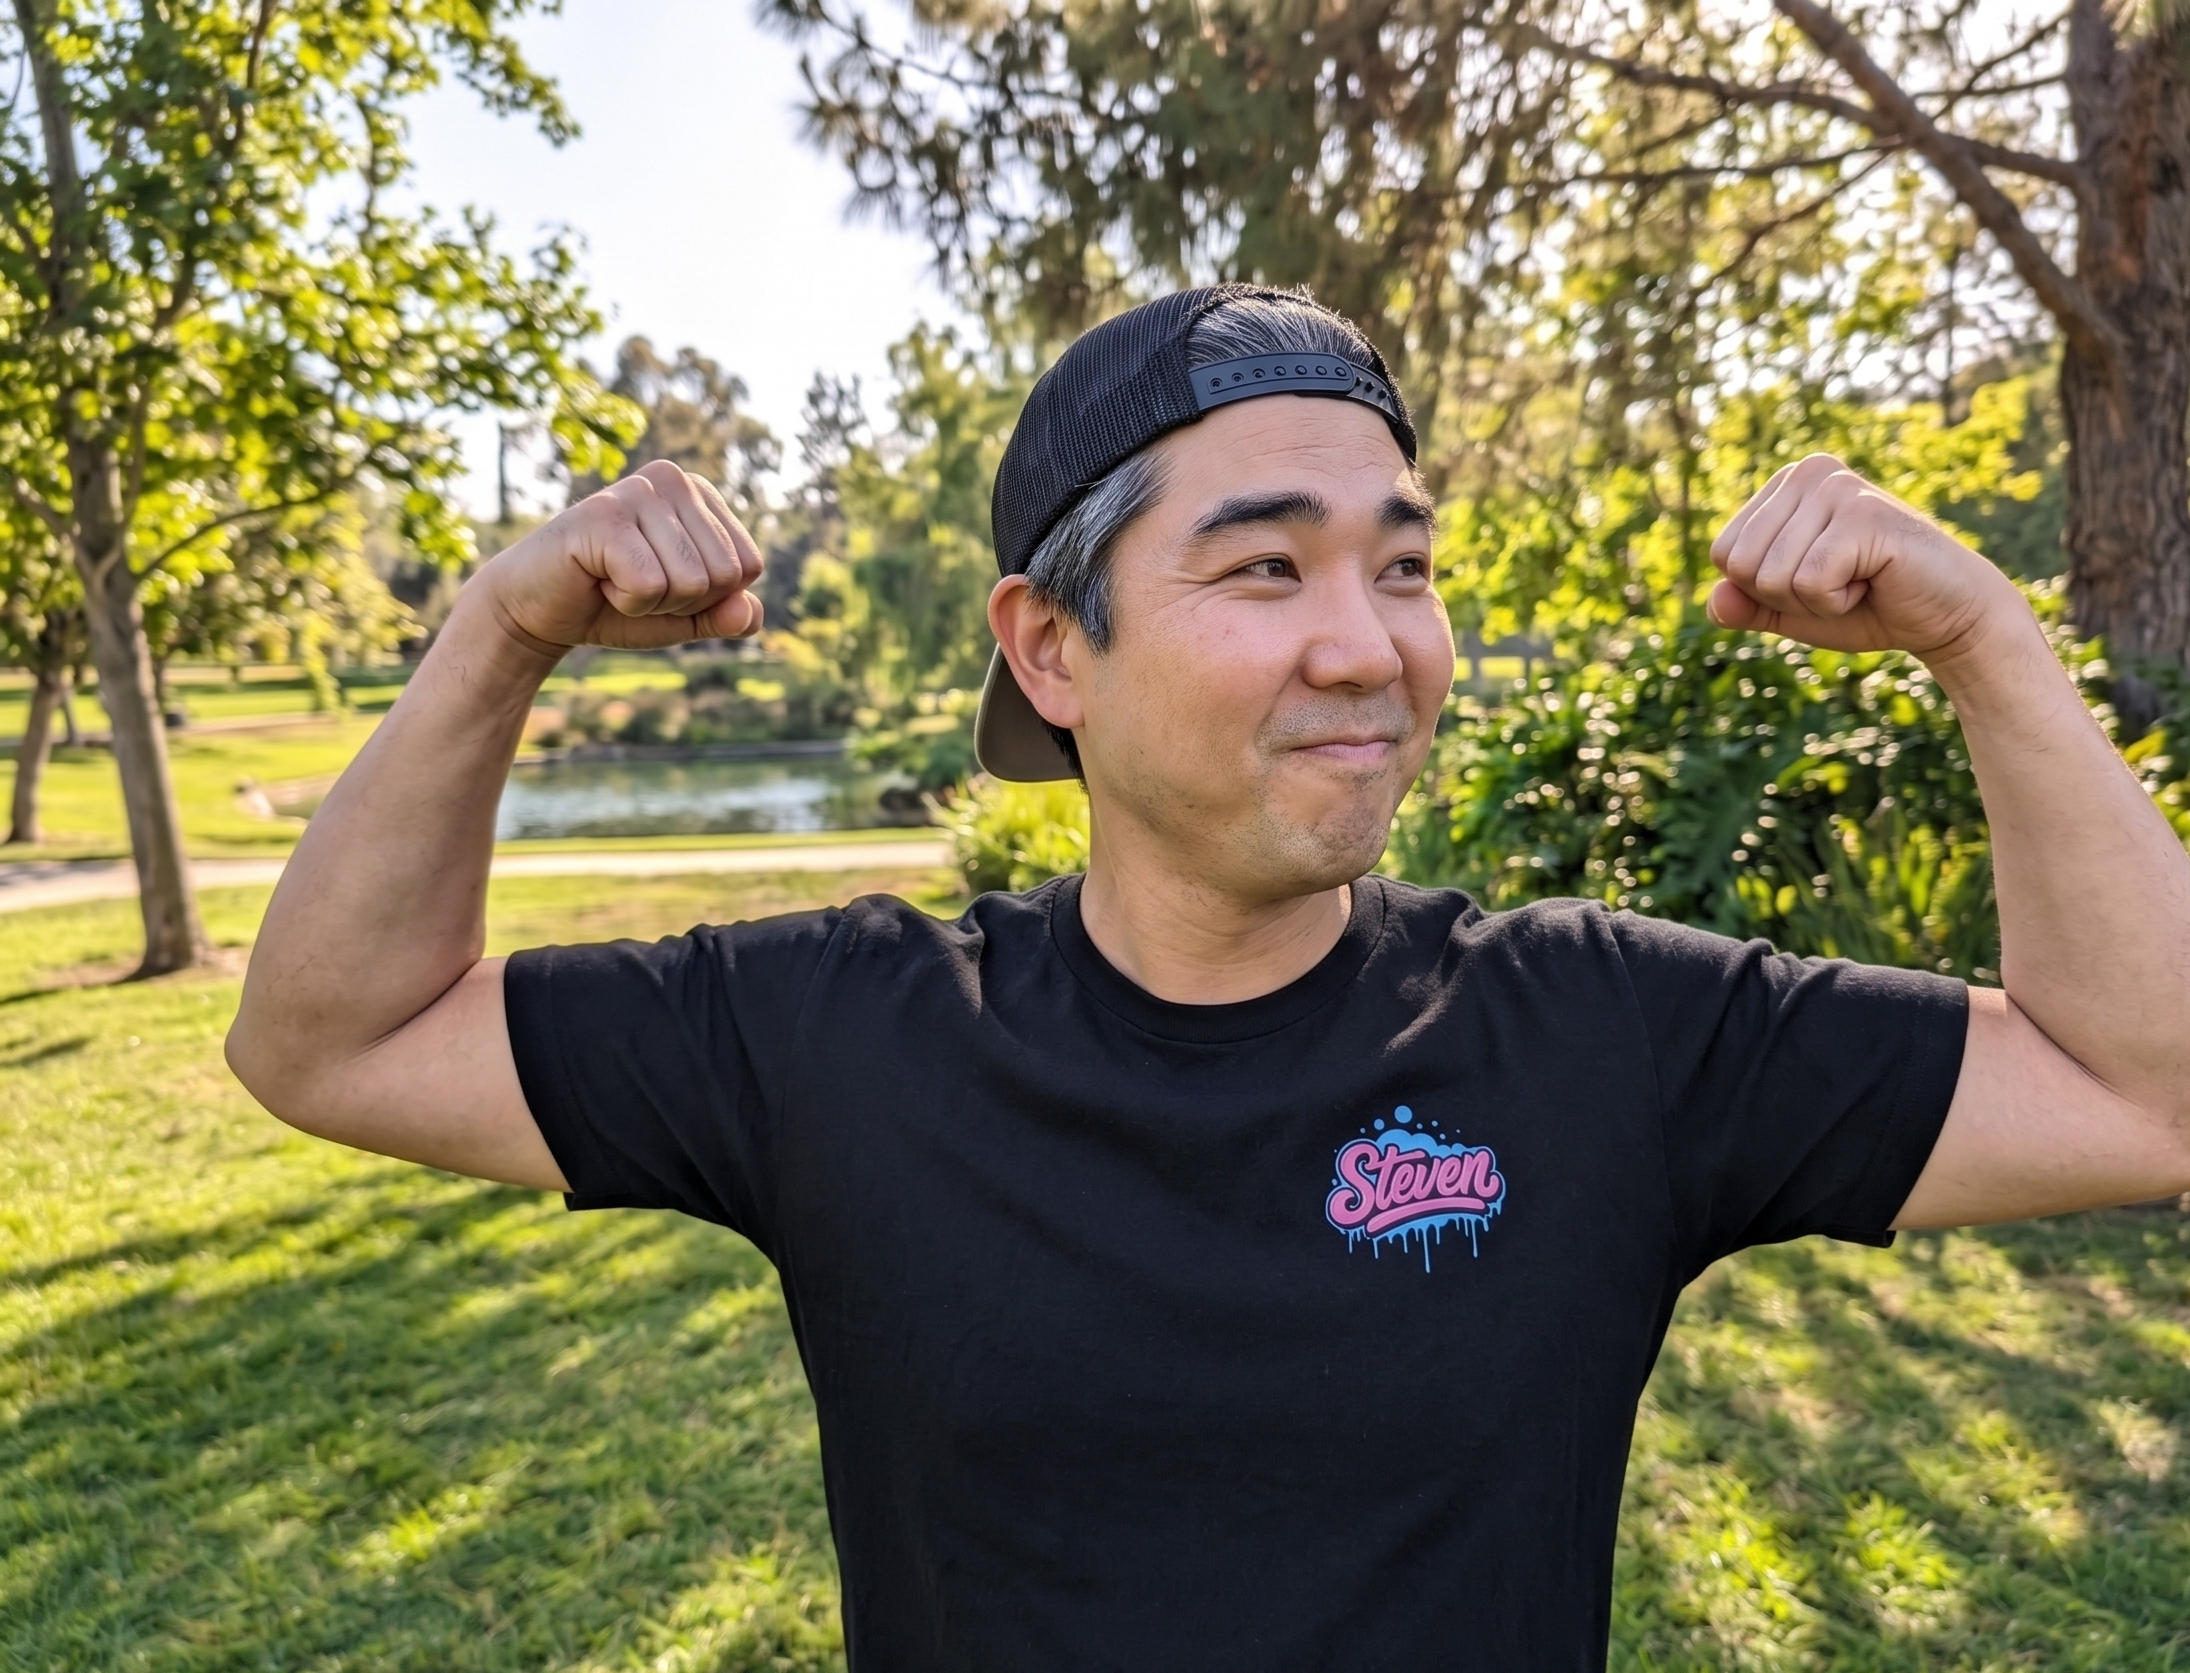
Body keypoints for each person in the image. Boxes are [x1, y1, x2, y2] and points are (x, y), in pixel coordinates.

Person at [226, 286, 2190, 1670]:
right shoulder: (836, 1033)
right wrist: (497, 630)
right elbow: (327, 1035)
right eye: (1265, 570)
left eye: (1402, 566)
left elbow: (2147, 1093)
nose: (1371, 644)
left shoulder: (1608, 1032)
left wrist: (1985, 641)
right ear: (1052, 650)